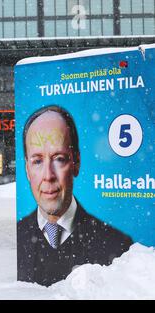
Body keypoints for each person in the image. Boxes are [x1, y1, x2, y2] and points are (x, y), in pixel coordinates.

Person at [17, 105, 133, 286]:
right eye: (37, 161)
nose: (48, 175)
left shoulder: (118, 247)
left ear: (76, 162)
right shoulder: (16, 238)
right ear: (27, 169)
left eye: (59, 159)